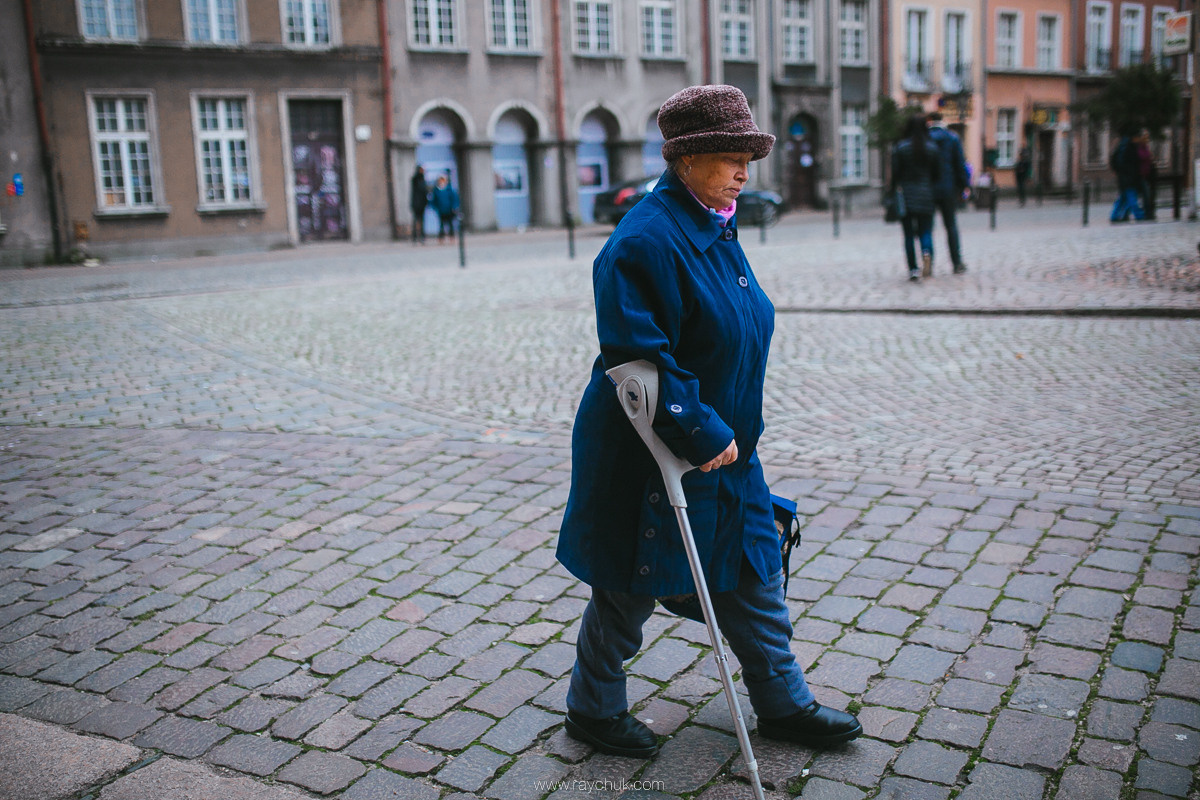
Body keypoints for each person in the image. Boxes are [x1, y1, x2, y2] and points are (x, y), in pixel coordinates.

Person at [556, 84, 862, 760]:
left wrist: (729, 434)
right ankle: (593, 709)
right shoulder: (645, 241)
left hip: (729, 452)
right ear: (685, 160)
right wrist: (701, 430)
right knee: (631, 589)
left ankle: (784, 703)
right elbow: (638, 358)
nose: (744, 171)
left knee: (753, 573)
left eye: (748, 156)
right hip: (654, 454)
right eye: (729, 157)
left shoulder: (716, 222)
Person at [891, 115, 941, 281]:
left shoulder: (901, 147)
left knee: (908, 235)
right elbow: (936, 174)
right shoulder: (932, 148)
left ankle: (913, 268)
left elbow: (895, 174)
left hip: (907, 196)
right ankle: (927, 253)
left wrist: (891, 192)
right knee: (926, 231)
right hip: (926, 195)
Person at [926, 112, 969, 274]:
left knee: (928, 228)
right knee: (951, 226)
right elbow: (960, 164)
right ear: (941, 121)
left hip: (928, 189)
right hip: (948, 188)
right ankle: (957, 263)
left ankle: (928, 262)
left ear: (929, 121)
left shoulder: (925, 138)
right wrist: (964, 185)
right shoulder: (952, 138)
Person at [1109, 135, 1144, 223]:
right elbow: (1135, 164)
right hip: (1129, 178)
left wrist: (1119, 172)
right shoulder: (1130, 148)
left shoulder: (1121, 147)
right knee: (1132, 198)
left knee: (1122, 198)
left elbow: (1114, 161)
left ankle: (1114, 215)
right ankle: (1139, 215)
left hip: (1123, 177)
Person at [430, 175, 460, 242]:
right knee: (441, 225)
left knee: (450, 224)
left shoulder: (449, 189)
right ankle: (441, 238)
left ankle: (451, 237)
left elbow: (454, 199)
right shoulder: (436, 190)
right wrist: (435, 208)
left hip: (449, 210)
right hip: (441, 210)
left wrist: (454, 207)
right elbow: (433, 200)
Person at [1135, 129, 1156, 221]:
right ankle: (1146, 213)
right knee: (1144, 195)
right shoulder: (1139, 148)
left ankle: (1148, 213)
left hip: (1147, 175)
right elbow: (1141, 157)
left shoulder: (1145, 147)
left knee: (1146, 195)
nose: (1146, 139)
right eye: (1144, 137)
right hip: (1141, 175)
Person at [410, 165, 429, 244]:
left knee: (422, 221)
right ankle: (415, 237)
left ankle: (422, 236)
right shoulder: (416, 179)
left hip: (422, 204)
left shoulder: (422, 179)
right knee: (416, 221)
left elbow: (424, 192)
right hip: (416, 204)